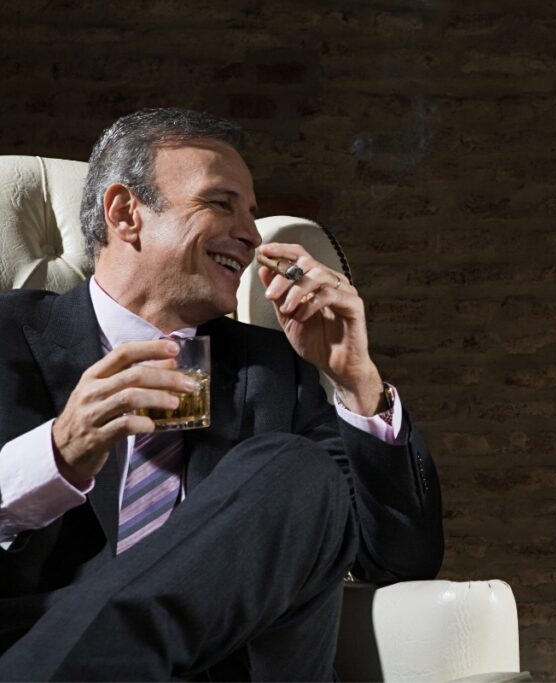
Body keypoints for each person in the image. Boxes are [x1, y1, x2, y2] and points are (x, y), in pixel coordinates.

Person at [0, 108, 443, 680]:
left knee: (297, 470)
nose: (252, 235)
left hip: (227, 666)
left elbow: (401, 560)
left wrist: (357, 383)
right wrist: (57, 454)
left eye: (252, 215)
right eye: (220, 203)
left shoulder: (279, 369)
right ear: (125, 212)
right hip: (32, 644)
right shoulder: (8, 335)